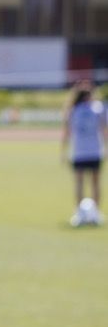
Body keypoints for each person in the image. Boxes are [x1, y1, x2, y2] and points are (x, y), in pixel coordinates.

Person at [62, 80, 106, 226]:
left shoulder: (98, 108)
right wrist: (65, 150)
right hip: (80, 151)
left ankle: (96, 212)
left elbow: (104, 129)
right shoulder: (73, 110)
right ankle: (79, 212)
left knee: (95, 182)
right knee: (80, 183)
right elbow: (67, 132)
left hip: (94, 150)